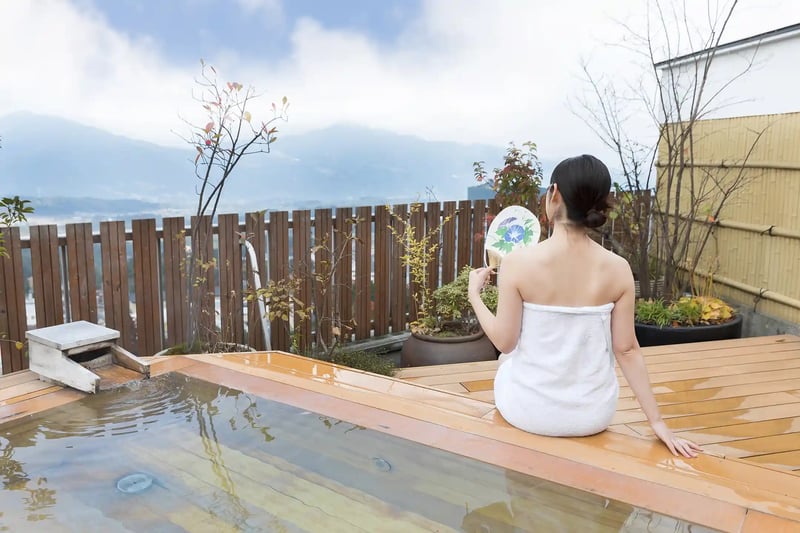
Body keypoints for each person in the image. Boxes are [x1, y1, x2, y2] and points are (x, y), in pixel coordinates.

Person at [468, 154, 701, 458]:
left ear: (554, 195)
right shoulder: (618, 268)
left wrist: (475, 294)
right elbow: (627, 350)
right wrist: (657, 423)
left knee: (504, 363)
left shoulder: (518, 264)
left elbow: (504, 341)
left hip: (530, 413)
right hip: (593, 416)